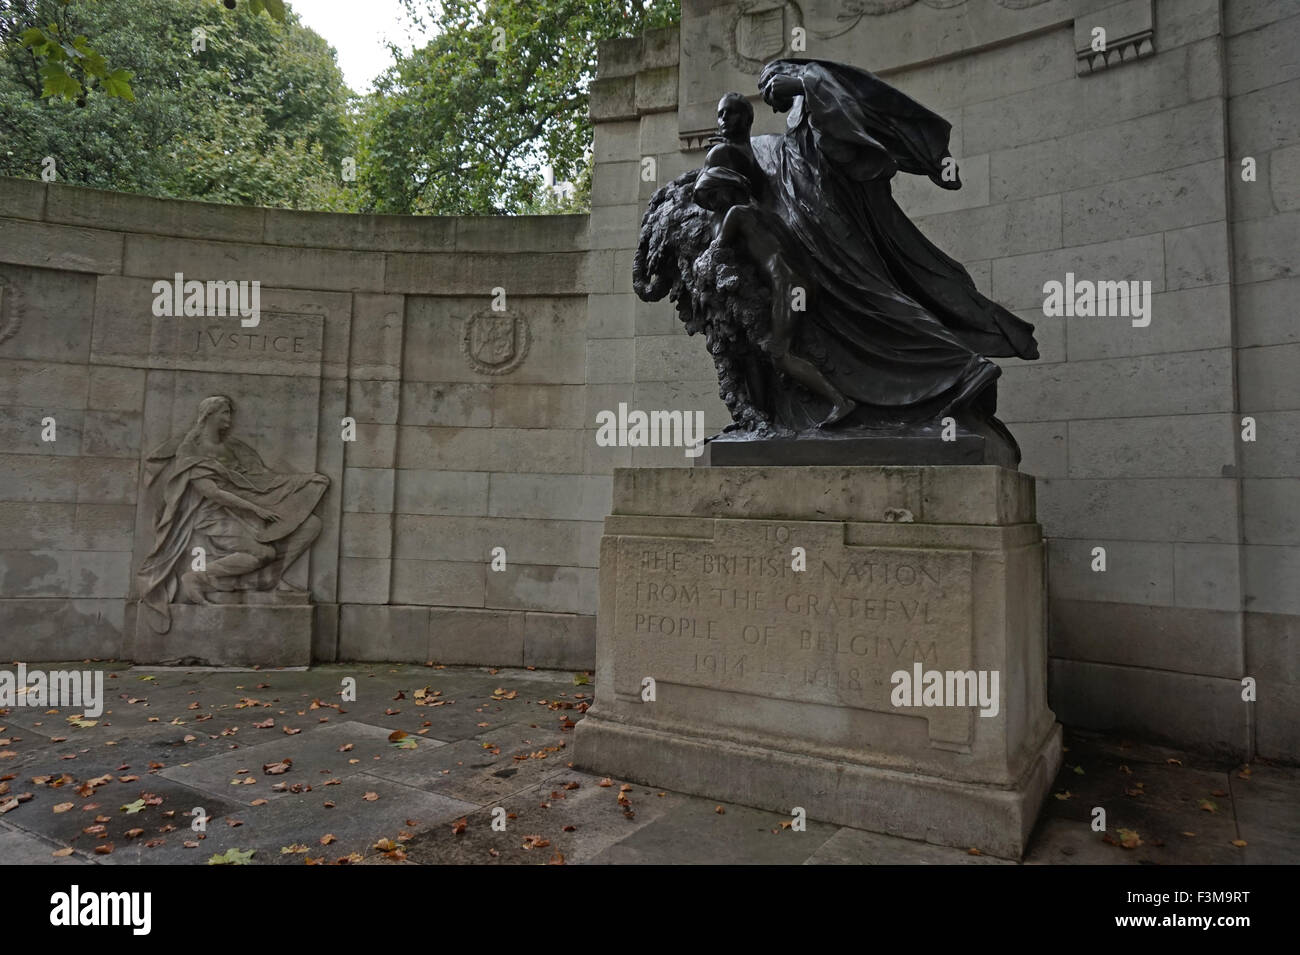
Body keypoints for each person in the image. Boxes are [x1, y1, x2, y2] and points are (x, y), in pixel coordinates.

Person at [137, 395, 328, 633]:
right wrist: (256, 509)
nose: (229, 418)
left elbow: (261, 479)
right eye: (224, 413)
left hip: (247, 507)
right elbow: (213, 493)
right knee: (263, 552)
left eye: (229, 413)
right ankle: (197, 578)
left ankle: (266, 579)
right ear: (209, 415)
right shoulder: (191, 449)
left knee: (311, 524)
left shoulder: (233, 447)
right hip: (213, 516)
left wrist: (302, 482)